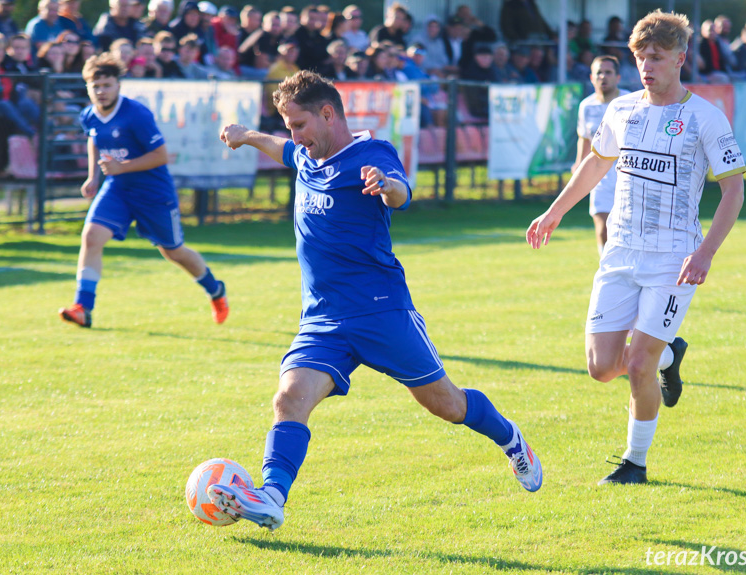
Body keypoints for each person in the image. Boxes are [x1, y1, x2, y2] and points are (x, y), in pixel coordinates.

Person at [206, 70, 543, 532]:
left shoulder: (372, 154)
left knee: (447, 405)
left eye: (300, 124)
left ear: (328, 114)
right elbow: (281, 149)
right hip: (322, 316)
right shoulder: (307, 154)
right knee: (288, 399)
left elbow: (402, 193)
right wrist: (247, 136)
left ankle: (511, 440)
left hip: (381, 311)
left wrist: (386, 185)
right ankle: (271, 496)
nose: (294, 136)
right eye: (288, 125)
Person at [526, 10, 745, 485]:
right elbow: (594, 166)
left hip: (673, 258)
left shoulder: (705, 117)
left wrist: (705, 251)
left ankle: (635, 462)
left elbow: (734, 190)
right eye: (641, 57)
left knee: (639, 363)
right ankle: (670, 355)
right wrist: (555, 211)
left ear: (680, 59)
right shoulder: (621, 110)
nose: (647, 66)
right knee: (602, 368)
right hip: (620, 252)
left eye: (657, 57)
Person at [58, 53, 229, 328]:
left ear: (118, 85)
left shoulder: (136, 114)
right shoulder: (88, 115)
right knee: (90, 237)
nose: (101, 91)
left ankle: (215, 290)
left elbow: (161, 156)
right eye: (95, 86)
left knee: (173, 251)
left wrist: (120, 167)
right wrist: (93, 177)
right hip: (117, 189)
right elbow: (94, 140)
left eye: (107, 85)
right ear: (87, 87)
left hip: (153, 193)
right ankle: (82, 308)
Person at [572, 55, 627, 254]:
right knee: (603, 227)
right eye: (599, 73)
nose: (603, 77)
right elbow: (584, 137)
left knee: (624, 228)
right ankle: (605, 265)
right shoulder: (586, 106)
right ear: (591, 78)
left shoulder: (630, 102)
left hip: (627, 173)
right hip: (600, 175)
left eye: (608, 72)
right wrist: (579, 163)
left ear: (618, 77)